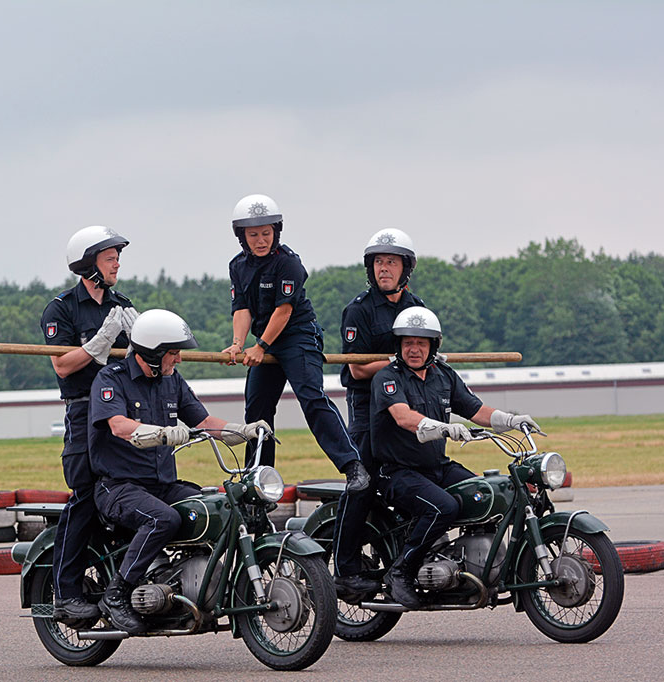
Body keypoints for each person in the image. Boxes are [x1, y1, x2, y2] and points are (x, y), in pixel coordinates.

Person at [88, 309, 271, 634]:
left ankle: (193, 585)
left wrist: (244, 430)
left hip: (162, 485)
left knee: (217, 508)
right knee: (163, 519)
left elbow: (204, 422)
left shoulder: (171, 380)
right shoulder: (111, 378)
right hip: (118, 486)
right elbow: (117, 425)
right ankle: (116, 595)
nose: (180, 358)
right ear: (153, 352)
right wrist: (160, 432)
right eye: (174, 352)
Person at [371, 306, 540, 608]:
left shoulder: (443, 375)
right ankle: (401, 572)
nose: (414, 349)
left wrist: (511, 420)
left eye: (421, 343)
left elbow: (475, 409)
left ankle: (477, 569)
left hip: (436, 466)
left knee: (488, 495)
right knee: (443, 507)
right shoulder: (387, 378)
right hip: (397, 471)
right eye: (408, 343)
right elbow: (402, 416)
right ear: (398, 345)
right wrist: (443, 428)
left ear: (433, 346)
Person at [221, 193, 369, 492]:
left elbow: (284, 310)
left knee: (311, 397)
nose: (261, 240)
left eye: (266, 233)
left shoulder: (288, 263)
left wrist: (260, 346)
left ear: (276, 232)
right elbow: (242, 308)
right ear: (242, 237)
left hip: (297, 335)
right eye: (253, 235)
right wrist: (237, 343)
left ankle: (353, 466)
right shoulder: (237, 266)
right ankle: (257, 481)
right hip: (265, 341)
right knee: (257, 411)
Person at [40, 225, 139, 624]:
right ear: (88, 265)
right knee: (84, 496)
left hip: (124, 412)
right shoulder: (61, 309)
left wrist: (145, 343)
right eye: (110, 258)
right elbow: (63, 365)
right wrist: (101, 341)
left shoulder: (123, 306)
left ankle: (131, 583)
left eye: (117, 258)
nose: (117, 265)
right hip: (84, 413)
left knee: (139, 489)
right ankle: (65, 594)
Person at [332, 228, 425, 596]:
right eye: (378, 262)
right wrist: (399, 361)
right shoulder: (359, 310)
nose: (384, 268)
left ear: (406, 268)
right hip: (367, 407)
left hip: (407, 402)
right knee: (363, 481)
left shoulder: (416, 309)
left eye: (391, 262)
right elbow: (357, 369)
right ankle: (345, 570)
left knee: (425, 471)